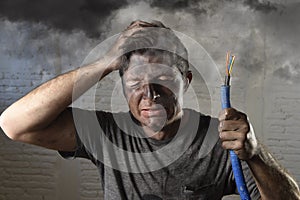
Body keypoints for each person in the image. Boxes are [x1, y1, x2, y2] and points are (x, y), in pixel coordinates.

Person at [0, 20, 299, 200]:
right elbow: (14, 124)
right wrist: (105, 62)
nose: (150, 94)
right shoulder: (107, 133)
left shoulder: (219, 142)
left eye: (163, 80)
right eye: (135, 83)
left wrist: (256, 155)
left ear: (186, 80)